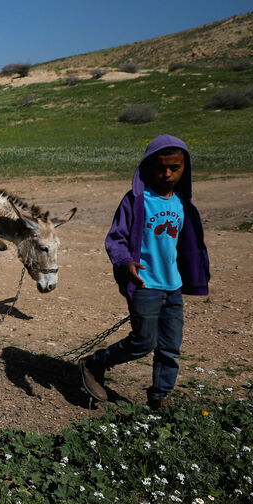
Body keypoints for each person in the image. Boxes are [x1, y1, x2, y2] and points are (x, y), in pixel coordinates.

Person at [79, 134, 210, 409]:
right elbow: (116, 238)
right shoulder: (137, 201)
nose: (167, 174)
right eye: (161, 167)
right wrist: (125, 261)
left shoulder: (182, 204)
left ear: (185, 167)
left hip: (172, 287)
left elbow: (188, 246)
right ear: (148, 167)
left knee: (170, 347)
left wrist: (193, 275)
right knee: (143, 341)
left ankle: (159, 397)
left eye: (175, 168)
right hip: (144, 283)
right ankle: (95, 363)